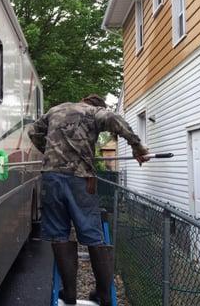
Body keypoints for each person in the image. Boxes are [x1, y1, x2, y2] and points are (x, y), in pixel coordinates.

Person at [28, 94, 149, 306]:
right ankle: (103, 295)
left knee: (59, 235)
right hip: (80, 179)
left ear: (83, 100)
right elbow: (115, 120)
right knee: (93, 235)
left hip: (51, 177)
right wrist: (136, 146)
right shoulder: (94, 112)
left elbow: (33, 131)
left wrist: (51, 151)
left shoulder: (56, 108)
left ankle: (70, 294)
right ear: (97, 105)